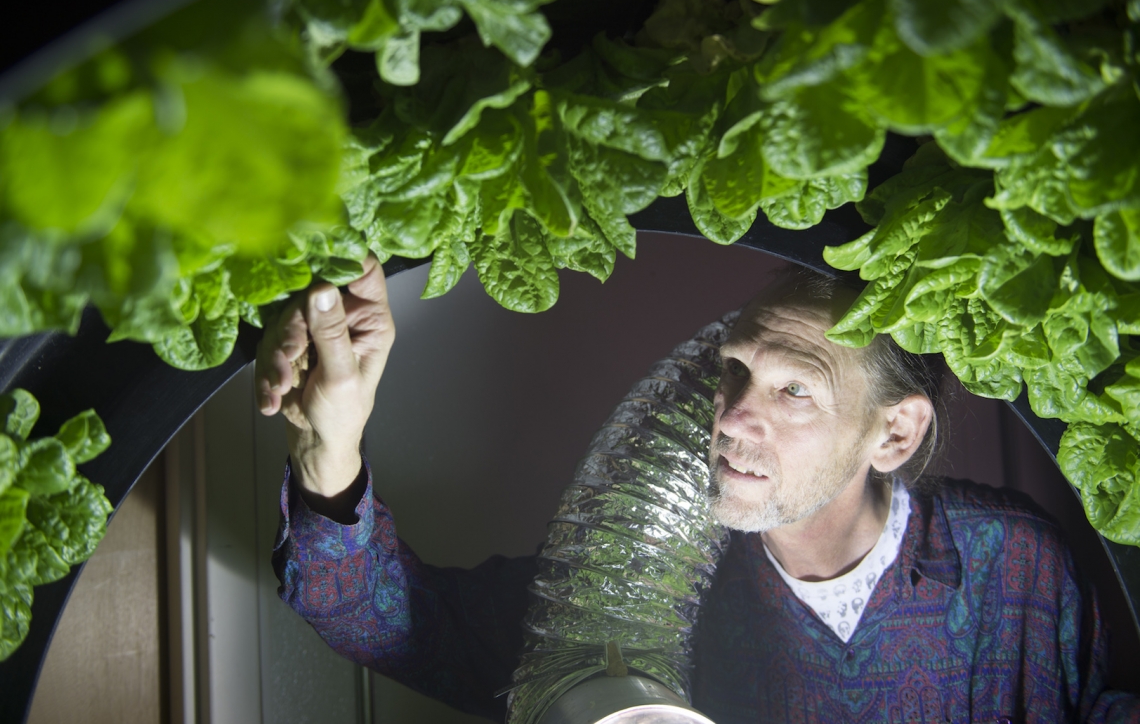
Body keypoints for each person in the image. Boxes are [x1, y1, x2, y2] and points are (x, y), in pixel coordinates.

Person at [256, 255, 1140, 723]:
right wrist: (330, 442)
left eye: (794, 389)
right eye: (735, 373)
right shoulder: (638, 588)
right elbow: (384, 619)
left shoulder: (1012, 566)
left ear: (894, 432)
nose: (732, 418)